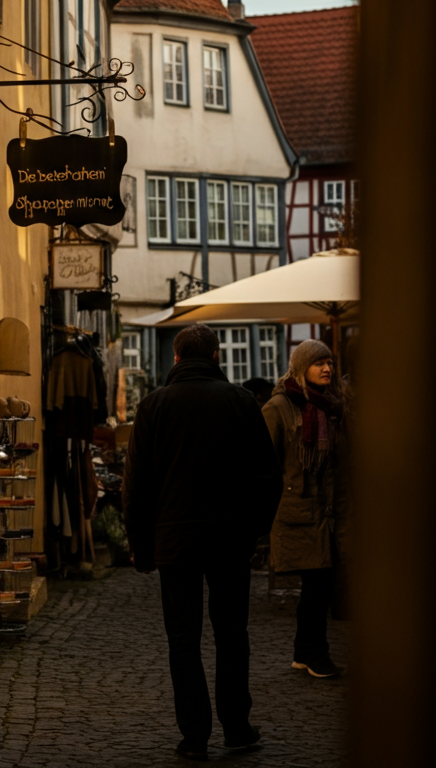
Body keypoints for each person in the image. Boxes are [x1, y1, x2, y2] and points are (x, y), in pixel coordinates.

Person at [124, 324, 283, 760]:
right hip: (230, 539)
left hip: (175, 540)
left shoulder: (154, 406)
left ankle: (194, 735)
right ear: (217, 357)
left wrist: (140, 545)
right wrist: (254, 530)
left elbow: (136, 484)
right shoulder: (240, 403)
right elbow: (268, 477)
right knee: (232, 634)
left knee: (183, 638)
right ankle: (236, 728)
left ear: (176, 358)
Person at [262, 339, 349, 678]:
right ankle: (316, 654)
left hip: (330, 514)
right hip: (298, 513)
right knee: (317, 587)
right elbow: (263, 463)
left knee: (321, 587)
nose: (327, 368)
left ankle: (304, 651)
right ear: (301, 367)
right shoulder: (279, 407)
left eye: (329, 362)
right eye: (318, 363)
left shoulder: (335, 406)